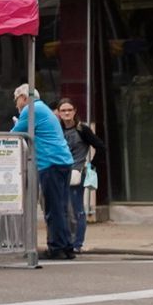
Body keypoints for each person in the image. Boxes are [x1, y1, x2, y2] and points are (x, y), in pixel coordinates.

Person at [12, 84, 78, 260]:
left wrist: (17, 122)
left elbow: (13, 134)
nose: (16, 104)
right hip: (63, 161)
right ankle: (67, 246)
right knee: (61, 206)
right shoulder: (45, 109)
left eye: (16, 99)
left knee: (53, 208)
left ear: (24, 98)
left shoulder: (30, 109)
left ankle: (56, 248)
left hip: (50, 162)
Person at [54, 98, 107, 254]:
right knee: (63, 209)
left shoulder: (82, 129)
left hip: (77, 172)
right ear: (58, 112)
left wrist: (91, 166)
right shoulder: (56, 130)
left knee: (77, 208)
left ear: (75, 111)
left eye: (69, 110)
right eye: (63, 110)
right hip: (60, 173)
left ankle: (77, 243)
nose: (67, 113)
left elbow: (100, 146)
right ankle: (66, 240)